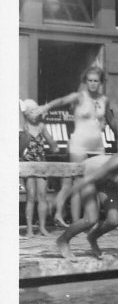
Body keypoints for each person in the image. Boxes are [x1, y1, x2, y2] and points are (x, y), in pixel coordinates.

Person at [35, 65, 117, 227]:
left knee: (96, 182)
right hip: (79, 145)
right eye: (90, 80)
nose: (93, 84)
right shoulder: (79, 96)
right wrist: (45, 107)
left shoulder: (104, 99)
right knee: (78, 183)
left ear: (101, 82)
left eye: (96, 81)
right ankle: (76, 221)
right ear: (85, 81)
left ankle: (91, 221)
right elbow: (61, 101)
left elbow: (110, 119)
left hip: (98, 146)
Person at [19, 99, 57, 237]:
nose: (35, 113)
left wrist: (54, 146)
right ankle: (29, 229)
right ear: (27, 114)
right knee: (31, 195)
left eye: (37, 110)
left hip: (41, 163)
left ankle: (42, 227)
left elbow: (51, 141)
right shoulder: (23, 127)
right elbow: (19, 148)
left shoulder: (41, 125)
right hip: (28, 163)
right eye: (32, 111)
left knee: (42, 195)